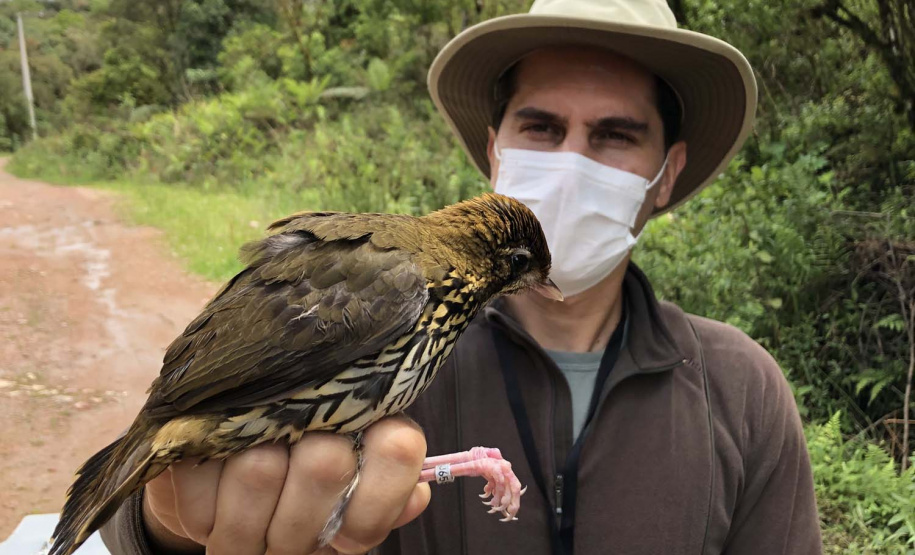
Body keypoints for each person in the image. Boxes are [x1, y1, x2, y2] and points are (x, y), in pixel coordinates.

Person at [101, 0, 823, 553]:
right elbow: (155, 508)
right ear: (494, 151)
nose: (571, 164)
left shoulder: (738, 388)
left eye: (614, 134)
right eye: (541, 128)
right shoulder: (402, 300)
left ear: (666, 175)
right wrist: (171, 524)